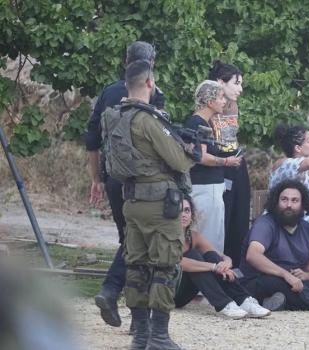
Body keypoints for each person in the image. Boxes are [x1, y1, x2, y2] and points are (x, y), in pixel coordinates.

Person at [88, 41, 164, 328]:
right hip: (141, 181)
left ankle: (134, 314)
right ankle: (115, 293)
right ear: (151, 65)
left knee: (129, 240)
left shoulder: (108, 92)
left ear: (125, 60)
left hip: (112, 177)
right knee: (139, 243)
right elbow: (158, 143)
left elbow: (92, 140)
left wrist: (96, 178)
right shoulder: (154, 94)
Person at [118, 60, 194, 349]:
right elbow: (178, 160)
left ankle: (140, 334)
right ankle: (159, 336)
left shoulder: (116, 116)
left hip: (132, 200)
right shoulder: (148, 119)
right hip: (159, 204)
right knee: (166, 266)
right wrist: (191, 152)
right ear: (149, 83)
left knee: (136, 265)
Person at [239, 179, 309, 313]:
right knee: (278, 283)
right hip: (261, 281)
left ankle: (281, 302)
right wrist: (286, 275)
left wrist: (307, 276)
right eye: (284, 200)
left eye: (294, 201)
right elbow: (253, 255)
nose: (289, 205)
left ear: (302, 204)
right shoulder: (266, 224)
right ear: (276, 202)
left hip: (296, 283)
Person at [174, 197, 270, 319]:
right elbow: (177, 261)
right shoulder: (163, 237)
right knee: (193, 256)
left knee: (210, 256)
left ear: (192, 215)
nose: (183, 215)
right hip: (170, 294)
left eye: (187, 210)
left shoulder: (193, 236)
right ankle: (224, 303)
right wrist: (214, 267)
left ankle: (244, 300)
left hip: (185, 292)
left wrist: (226, 263)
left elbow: (220, 255)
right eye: (179, 211)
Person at [185, 80, 242, 253]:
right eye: (220, 97)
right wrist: (226, 161)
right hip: (205, 188)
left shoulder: (203, 122)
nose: (224, 101)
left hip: (209, 188)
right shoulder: (199, 123)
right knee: (209, 239)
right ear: (210, 102)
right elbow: (200, 156)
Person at [208, 60, 249, 267]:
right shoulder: (208, 106)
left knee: (240, 216)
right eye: (236, 83)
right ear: (219, 83)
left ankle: (236, 266)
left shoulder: (234, 105)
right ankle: (217, 264)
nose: (240, 89)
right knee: (221, 217)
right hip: (219, 166)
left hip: (236, 162)